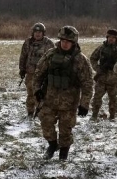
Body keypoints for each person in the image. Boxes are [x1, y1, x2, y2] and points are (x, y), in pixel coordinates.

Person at [32, 26, 94, 161]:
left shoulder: (80, 60)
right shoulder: (50, 55)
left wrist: (84, 103)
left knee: (65, 129)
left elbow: (87, 83)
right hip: (49, 99)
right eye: (63, 40)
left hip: (69, 102)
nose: (64, 43)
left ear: (74, 42)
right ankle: (52, 145)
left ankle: (63, 153)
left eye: (68, 41)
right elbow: (38, 75)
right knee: (46, 123)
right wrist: (37, 91)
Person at [89, 29, 117, 121]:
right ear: (107, 37)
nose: (111, 39)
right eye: (109, 37)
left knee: (113, 98)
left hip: (114, 78)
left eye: (113, 38)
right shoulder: (101, 48)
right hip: (101, 78)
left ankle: (112, 116)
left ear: (116, 39)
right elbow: (93, 58)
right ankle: (94, 115)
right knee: (97, 97)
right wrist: (98, 68)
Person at [18, 23, 54, 117]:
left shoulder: (49, 43)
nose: (37, 34)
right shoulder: (28, 43)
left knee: (41, 94)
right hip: (30, 73)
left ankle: (40, 113)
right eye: (36, 32)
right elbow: (23, 56)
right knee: (30, 94)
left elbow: (53, 59)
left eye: (40, 32)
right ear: (33, 33)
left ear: (43, 33)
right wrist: (22, 69)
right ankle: (30, 112)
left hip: (43, 75)